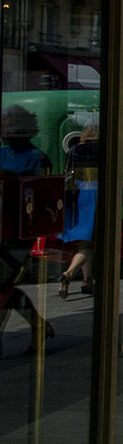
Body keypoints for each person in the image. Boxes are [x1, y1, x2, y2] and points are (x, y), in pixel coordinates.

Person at [0, 105, 55, 354]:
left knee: (4, 283)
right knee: (5, 285)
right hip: (4, 226)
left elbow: (40, 197)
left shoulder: (38, 158)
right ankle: (38, 325)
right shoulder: (3, 153)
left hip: (17, 232)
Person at [60, 122, 100, 298]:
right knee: (89, 243)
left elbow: (68, 174)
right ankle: (69, 274)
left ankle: (87, 280)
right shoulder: (103, 148)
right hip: (95, 195)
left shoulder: (74, 150)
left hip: (78, 197)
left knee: (84, 242)